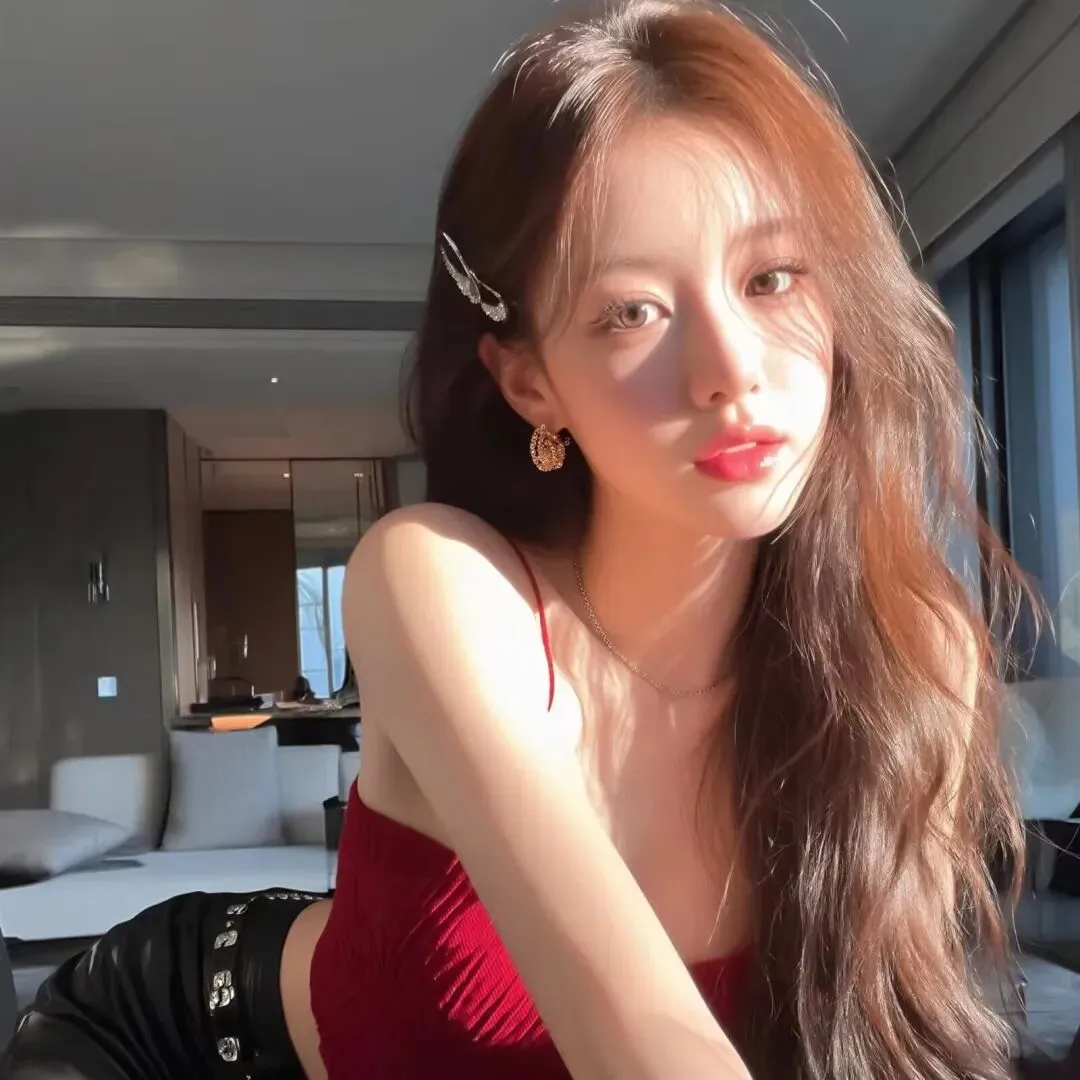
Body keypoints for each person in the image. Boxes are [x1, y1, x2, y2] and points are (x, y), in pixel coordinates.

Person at [1, 1, 1030, 1078]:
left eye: (771, 278)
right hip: (186, 1035)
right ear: (533, 382)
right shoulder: (442, 584)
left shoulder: (913, 659)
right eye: (632, 311)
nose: (732, 369)